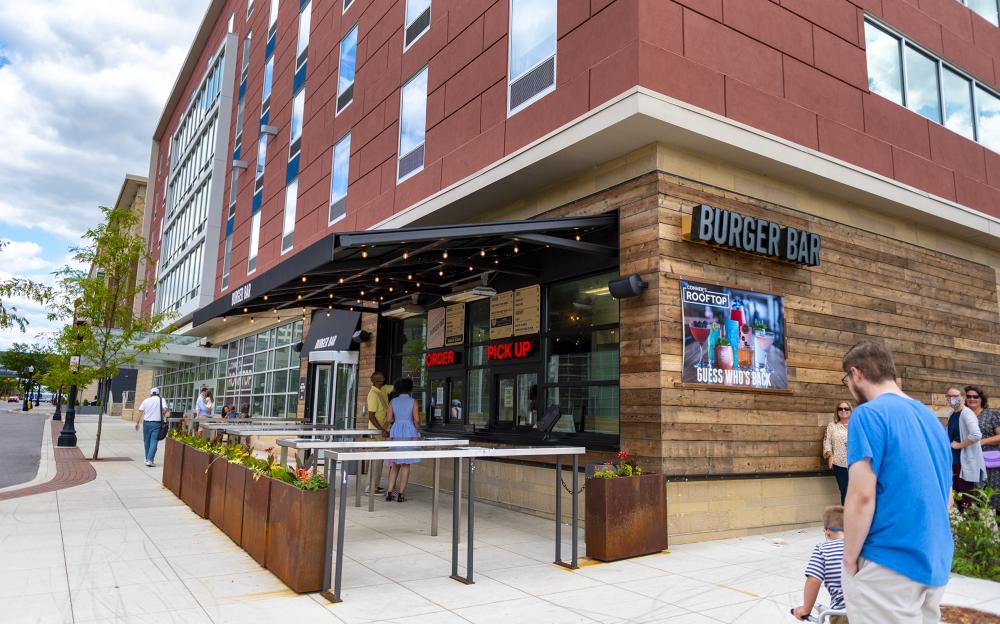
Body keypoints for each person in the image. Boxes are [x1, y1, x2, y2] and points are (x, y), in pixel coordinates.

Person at [840, 341, 952, 624]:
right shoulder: (931, 418)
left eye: (846, 380)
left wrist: (850, 557)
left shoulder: (867, 415)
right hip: (934, 559)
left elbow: (861, 496)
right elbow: (947, 495)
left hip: (887, 561)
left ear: (857, 374)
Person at [792, 505, 847, 623]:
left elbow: (813, 580)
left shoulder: (823, 549)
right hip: (870, 611)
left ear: (826, 532)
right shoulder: (864, 546)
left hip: (843, 613)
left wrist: (806, 609)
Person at [946, 387, 985, 512]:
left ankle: (972, 529)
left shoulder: (967, 414)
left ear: (963, 397)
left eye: (956, 396)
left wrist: (959, 445)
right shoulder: (952, 414)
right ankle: (965, 528)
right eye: (949, 396)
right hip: (954, 462)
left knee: (967, 500)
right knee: (958, 498)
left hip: (964, 462)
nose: (953, 399)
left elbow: (976, 435)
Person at [964, 385, 1000, 514]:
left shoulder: (991, 414)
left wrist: (981, 442)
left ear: (981, 399)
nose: (972, 399)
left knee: (995, 496)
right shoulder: (963, 415)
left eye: (975, 396)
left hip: (991, 462)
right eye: (969, 396)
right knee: (975, 497)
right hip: (971, 462)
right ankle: (979, 531)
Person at [384, 377, 420, 502]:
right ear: (410, 388)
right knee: (405, 464)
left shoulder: (392, 401)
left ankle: (389, 492)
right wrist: (417, 430)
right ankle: (401, 494)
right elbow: (417, 419)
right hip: (409, 430)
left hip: (396, 430)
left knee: (394, 463)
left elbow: (388, 419)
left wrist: (398, 421)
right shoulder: (413, 401)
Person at [366, 371, 393, 494]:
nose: (382, 382)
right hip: (376, 432)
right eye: (380, 380)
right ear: (374, 381)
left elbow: (397, 387)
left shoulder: (383, 390)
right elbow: (371, 416)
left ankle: (375, 485)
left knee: (380, 460)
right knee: (375, 461)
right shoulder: (373, 395)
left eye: (383, 379)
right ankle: (370, 487)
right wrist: (381, 430)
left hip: (383, 431)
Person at [824, 402, 851, 505]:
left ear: (850, 410)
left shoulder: (857, 425)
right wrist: (830, 455)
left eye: (846, 408)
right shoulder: (832, 426)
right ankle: (846, 518)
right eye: (840, 409)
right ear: (837, 411)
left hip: (857, 464)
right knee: (845, 491)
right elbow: (827, 442)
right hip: (840, 464)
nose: (843, 411)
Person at [135, 387, 168, 467]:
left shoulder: (146, 400)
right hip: (156, 424)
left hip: (146, 423)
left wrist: (137, 423)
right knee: (154, 442)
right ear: (158, 393)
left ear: (150, 394)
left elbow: (140, 411)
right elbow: (165, 410)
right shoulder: (161, 400)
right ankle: (149, 460)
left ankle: (147, 458)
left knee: (147, 442)